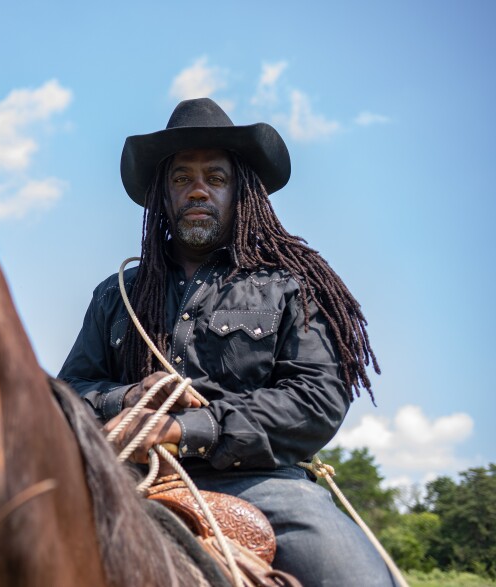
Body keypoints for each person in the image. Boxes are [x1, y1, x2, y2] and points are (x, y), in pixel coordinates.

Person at [58, 97, 395, 585]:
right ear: (162, 194)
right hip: (122, 475)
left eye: (214, 178)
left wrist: (187, 429)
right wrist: (125, 398)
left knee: (355, 578)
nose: (197, 190)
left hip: (262, 482)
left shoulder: (293, 285)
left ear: (241, 192)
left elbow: (315, 401)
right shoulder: (116, 295)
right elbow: (70, 392)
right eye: (181, 179)